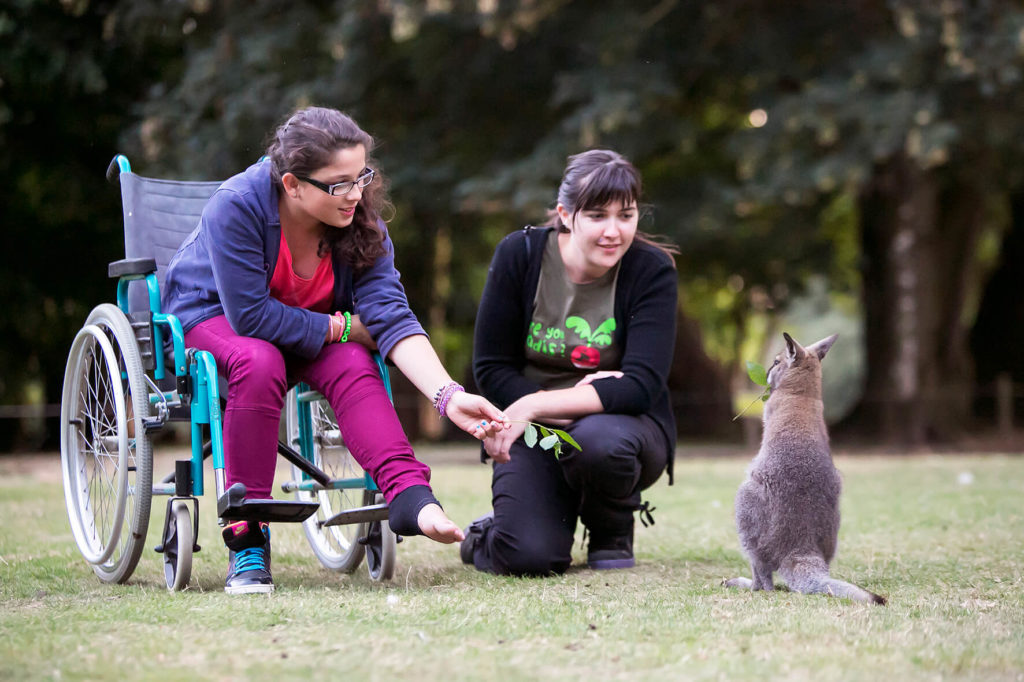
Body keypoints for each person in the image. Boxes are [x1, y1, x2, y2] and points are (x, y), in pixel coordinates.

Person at [162, 106, 508, 594]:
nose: (357, 194)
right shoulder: (235, 206)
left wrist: (448, 397)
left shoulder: (360, 220)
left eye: (362, 176)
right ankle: (248, 537)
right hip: (212, 315)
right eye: (339, 183)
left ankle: (412, 497)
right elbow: (253, 319)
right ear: (292, 184)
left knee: (352, 360)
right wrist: (341, 324)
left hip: (303, 326)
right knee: (260, 360)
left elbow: (390, 319)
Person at [461, 149, 678, 575]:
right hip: (536, 433)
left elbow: (640, 386)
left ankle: (610, 528)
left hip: (620, 428)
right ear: (566, 214)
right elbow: (490, 368)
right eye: (597, 215)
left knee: (599, 442)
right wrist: (561, 404)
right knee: (528, 557)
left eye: (626, 215)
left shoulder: (651, 270)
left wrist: (537, 405)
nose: (614, 231)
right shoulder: (518, 256)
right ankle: (495, 532)